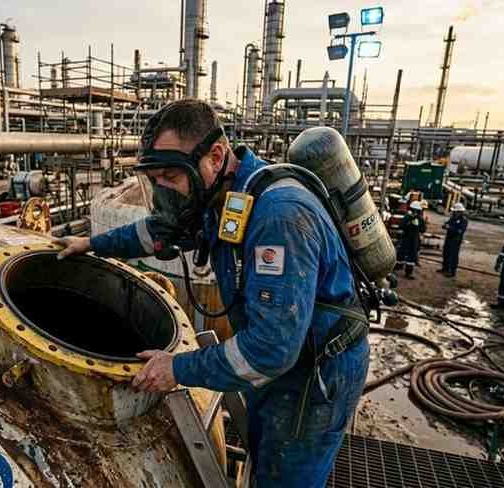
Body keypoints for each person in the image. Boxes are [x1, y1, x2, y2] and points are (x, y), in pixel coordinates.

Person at [53, 99, 369, 487]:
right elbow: (158, 232)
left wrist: (177, 369)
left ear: (215, 156)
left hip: (316, 371)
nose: (164, 190)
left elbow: (270, 350)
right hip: (285, 358)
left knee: (286, 474)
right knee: (265, 453)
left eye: (171, 176)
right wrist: (92, 243)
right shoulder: (222, 196)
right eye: (155, 180)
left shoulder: (278, 216)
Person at [437, 202, 468, 277]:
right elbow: (446, 224)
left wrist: (450, 228)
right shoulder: (453, 218)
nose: (454, 212)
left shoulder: (463, 220)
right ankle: (445, 268)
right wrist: (445, 226)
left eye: (455, 211)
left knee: (453, 255)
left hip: (456, 240)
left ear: (459, 212)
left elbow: (459, 231)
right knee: (446, 253)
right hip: (449, 237)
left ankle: (452, 271)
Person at [397, 201, 426, 279]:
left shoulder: (420, 219)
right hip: (406, 238)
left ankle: (408, 272)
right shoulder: (407, 217)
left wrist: (417, 226)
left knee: (412, 255)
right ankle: (398, 266)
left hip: (414, 240)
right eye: (414, 210)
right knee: (401, 252)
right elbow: (401, 226)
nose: (415, 212)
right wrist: (409, 224)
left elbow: (423, 229)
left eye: (416, 211)